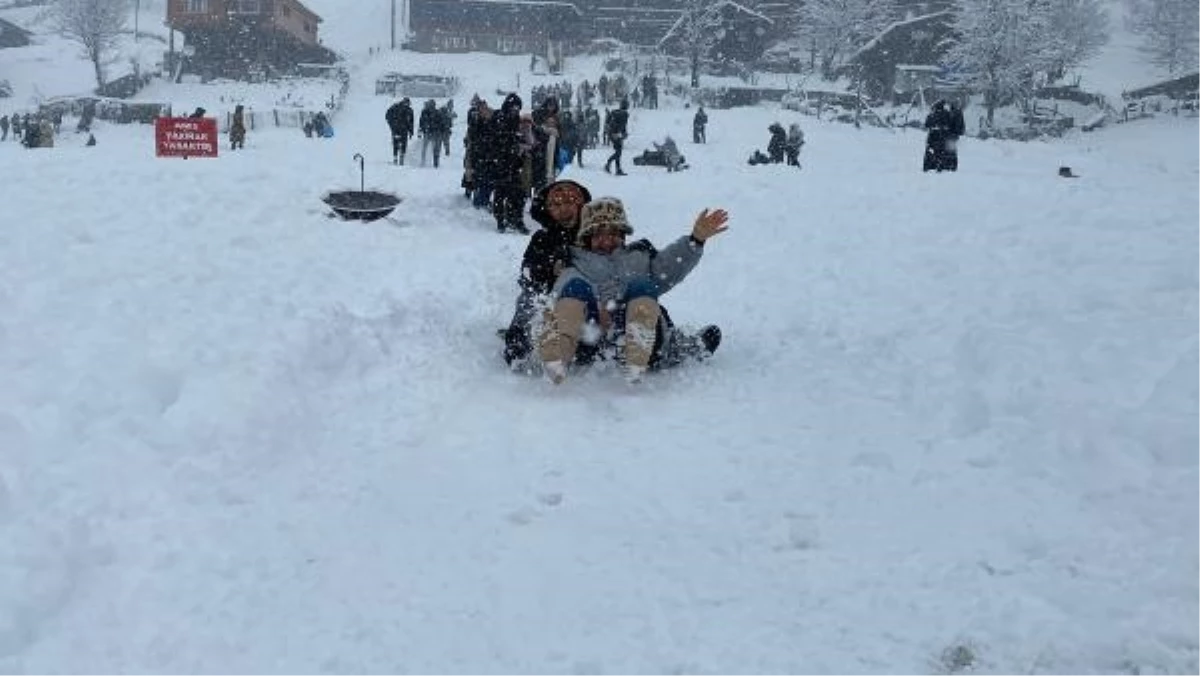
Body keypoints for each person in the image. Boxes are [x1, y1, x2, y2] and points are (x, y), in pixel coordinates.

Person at [504, 181, 720, 373]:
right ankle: (556, 352)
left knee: (643, 287)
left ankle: (641, 348)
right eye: (598, 234)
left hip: (629, 325)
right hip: (590, 334)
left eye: (614, 233)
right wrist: (522, 333)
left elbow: (668, 267)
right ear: (587, 238)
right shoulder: (572, 259)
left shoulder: (638, 256)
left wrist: (695, 240)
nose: (607, 240)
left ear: (623, 235)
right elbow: (550, 290)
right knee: (574, 290)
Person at [923, 100, 954, 172]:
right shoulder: (947, 113)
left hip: (933, 136)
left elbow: (927, 124)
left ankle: (930, 165)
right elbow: (951, 124)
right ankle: (942, 165)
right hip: (944, 136)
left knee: (931, 151)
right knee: (943, 151)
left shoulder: (932, 114)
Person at [385, 97, 414, 165]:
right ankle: (395, 157)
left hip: (403, 130)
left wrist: (411, 131)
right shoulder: (395, 107)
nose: (407, 105)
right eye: (406, 103)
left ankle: (401, 157)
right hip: (396, 129)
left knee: (403, 143)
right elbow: (387, 116)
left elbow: (411, 122)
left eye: (408, 104)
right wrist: (392, 124)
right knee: (396, 143)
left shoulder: (409, 110)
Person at [604, 99, 629, 175]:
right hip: (616, 134)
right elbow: (623, 125)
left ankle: (618, 169)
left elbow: (607, 121)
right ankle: (608, 164)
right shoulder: (624, 114)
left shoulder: (614, 111)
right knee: (618, 152)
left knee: (618, 151)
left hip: (611, 133)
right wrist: (624, 133)